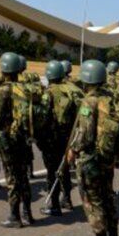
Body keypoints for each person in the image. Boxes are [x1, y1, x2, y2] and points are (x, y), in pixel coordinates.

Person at [67, 59, 119, 236]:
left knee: (93, 201)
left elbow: (85, 134)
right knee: (108, 198)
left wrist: (73, 149)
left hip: (91, 159)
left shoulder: (89, 101)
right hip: (107, 157)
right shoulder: (111, 98)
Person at [0, 52, 34, 227]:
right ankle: (27, 214)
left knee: (12, 178)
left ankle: (14, 217)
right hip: (23, 140)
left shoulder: (3, 90)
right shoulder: (25, 88)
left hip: (9, 141)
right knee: (23, 177)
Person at [40, 60, 78, 216]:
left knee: (52, 171)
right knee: (65, 167)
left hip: (52, 138)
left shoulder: (48, 93)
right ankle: (67, 199)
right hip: (69, 136)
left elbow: (43, 117)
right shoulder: (72, 89)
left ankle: (54, 205)